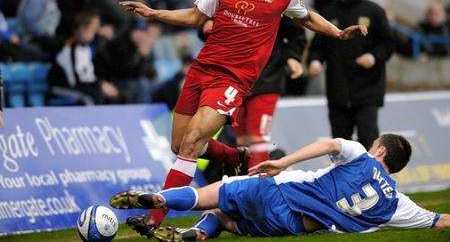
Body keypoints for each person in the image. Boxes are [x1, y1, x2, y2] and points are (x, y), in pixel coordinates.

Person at [118, 0, 367, 237]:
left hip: (232, 80)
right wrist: (154, 13)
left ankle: (152, 219)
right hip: (201, 70)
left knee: (191, 143)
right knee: (179, 144)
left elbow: (307, 17)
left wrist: (337, 33)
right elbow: (196, 17)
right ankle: (234, 156)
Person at [110, 134, 450, 241]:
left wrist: (284, 162)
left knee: (206, 197)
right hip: (289, 226)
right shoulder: (396, 205)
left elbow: (330, 144)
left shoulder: (361, 156)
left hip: (279, 190)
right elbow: (441, 221)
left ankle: (160, 198)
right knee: (227, 221)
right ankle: (194, 236)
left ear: (380, 150)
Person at [199, 16, 306, 169]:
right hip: (234, 80)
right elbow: (204, 22)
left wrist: (293, 56)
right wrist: (205, 26)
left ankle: (257, 183)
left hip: (266, 80)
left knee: (258, 137)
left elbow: (296, 32)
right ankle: (244, 180)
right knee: (241, 139)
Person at [307, 0, 394, 150]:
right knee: (340, 144)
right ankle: (342, 178)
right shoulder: (328, 12)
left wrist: (373, 57)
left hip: (367, 89)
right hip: (338, 89)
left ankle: (369, 177)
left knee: (368, 138)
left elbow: (388, 44)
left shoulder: (374, 11)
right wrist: (315, 61)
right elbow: (317, 46)